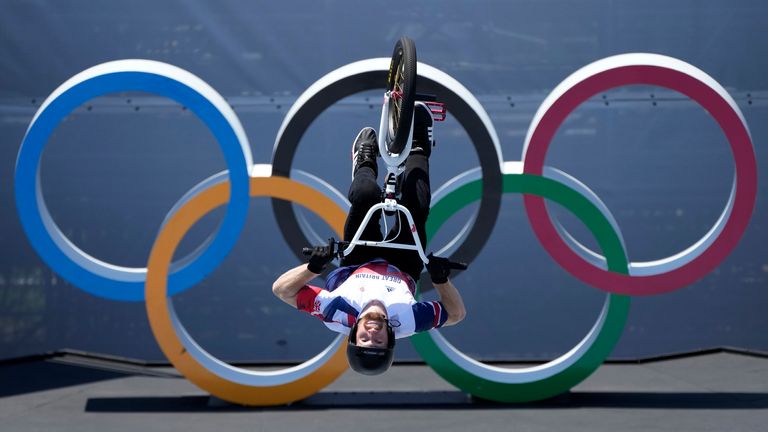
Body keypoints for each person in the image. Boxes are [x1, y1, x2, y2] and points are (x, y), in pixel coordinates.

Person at [272, 101, 466, 376]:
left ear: (353, 336)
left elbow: (281, 290)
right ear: (390, 339)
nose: (372, 335)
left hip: (358, 259)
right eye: (379, 342)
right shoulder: (408, 321)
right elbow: (456, 315)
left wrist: (313, 267)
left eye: (365, 340)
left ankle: (363, 161)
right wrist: (441, 280)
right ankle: (420, 144)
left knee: (366, 195)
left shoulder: (335, 313)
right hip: (403, 265)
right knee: (415, 205)